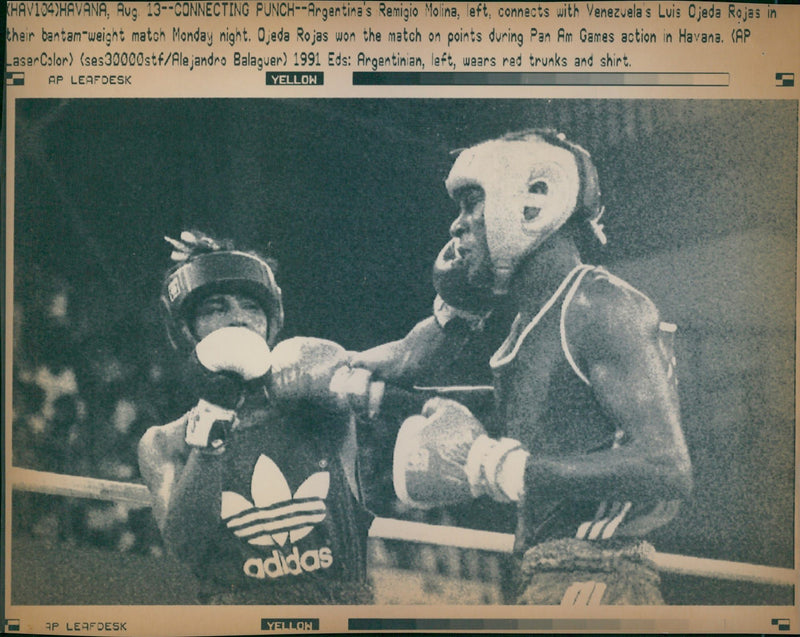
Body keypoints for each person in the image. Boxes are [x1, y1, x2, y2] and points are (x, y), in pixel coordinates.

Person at [388, 129, 694, 605]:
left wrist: (513, 470)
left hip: (599, 574)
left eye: (472, 204)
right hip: (549, 575)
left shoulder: (597, 303)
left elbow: (667, 464)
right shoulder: (528, 325)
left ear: (532, 201)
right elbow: (542, 416)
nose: (458, 226)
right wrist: (374, 398)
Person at [137, 231, 375, 604]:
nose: (238, 320)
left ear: (270, 321)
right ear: (187, 330)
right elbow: (186, 550)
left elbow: (345, 380)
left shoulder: (316, 407)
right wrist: (214, 420)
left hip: (338, 614)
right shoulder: (165, 442)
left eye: (251, 307)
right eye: (216, 308)